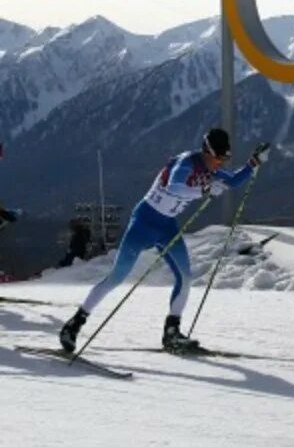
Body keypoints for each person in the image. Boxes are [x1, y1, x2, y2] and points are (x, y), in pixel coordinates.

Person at [58, 129, 268, 354]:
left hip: (167, 226)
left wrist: (253, 163)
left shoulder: (211, 169)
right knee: (117, 277)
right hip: (144, 222)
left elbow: (234, 180)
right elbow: (174, 187)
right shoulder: (187, 162)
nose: (219, 164)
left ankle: (172, 333)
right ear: (206, 151)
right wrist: (205, 189)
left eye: (224, 159)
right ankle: (74, 325)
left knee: (185, 277)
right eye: (217, 158)